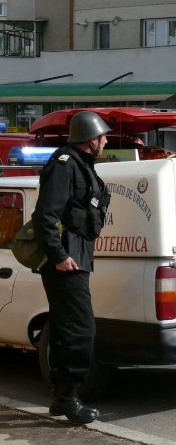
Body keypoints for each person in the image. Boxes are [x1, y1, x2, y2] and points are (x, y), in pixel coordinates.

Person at [32, 111, 112, 424]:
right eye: (102, 137)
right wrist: (58, 256)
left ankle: (61, 397)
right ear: (90, 139)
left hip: (77, 258)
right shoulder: (64, 165)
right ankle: (67, 397)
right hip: (66, 262)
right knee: (80, 329)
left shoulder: (82, 164)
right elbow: (45, 215)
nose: (105, 142)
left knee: (68, 328)